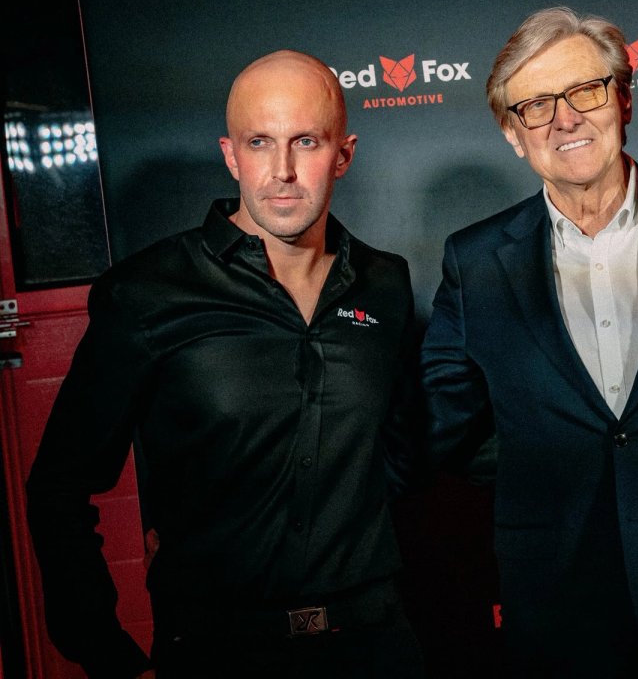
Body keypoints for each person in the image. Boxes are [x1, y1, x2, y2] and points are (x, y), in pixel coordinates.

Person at [25, 50, 426, 678]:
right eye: (260, 142)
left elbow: (403, 453)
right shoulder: (149, 292)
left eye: (307, 141)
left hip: (373, 644)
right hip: (218, 652)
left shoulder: (385, 284)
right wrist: (106, 655)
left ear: (343, 155)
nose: (283, 171)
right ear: (231, 155)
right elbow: (59, 485)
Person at [419, 6, 638, 678]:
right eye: (535, 105)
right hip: (558, 602)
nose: (565, 119)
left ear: (623, 100)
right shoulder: (474, 262)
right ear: (512, 133)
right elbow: (443, 423)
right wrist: (547, 458)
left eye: (585, 91)